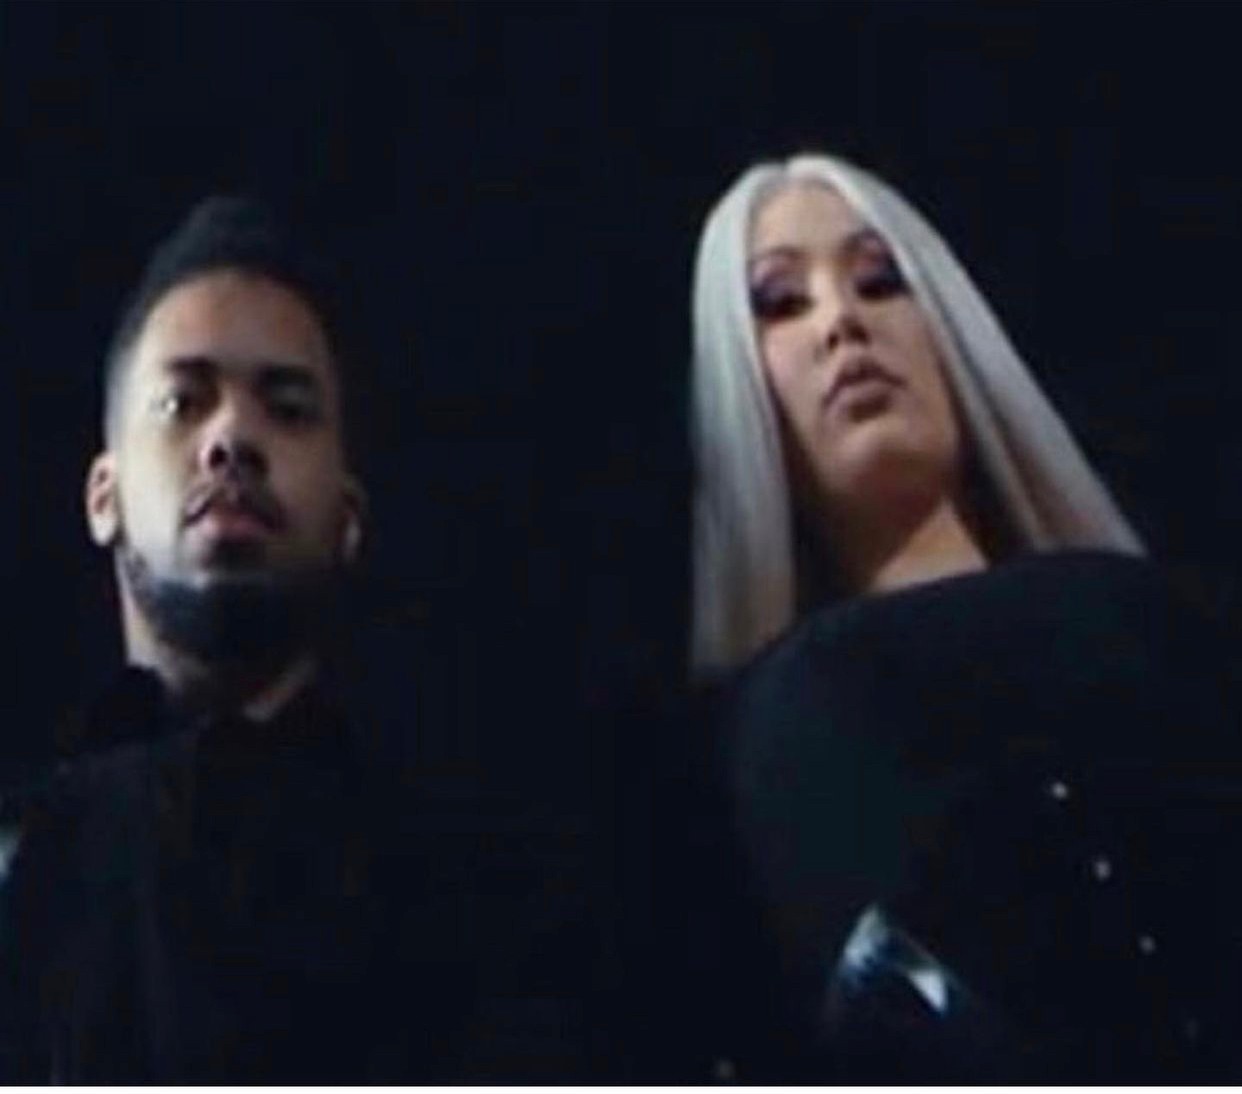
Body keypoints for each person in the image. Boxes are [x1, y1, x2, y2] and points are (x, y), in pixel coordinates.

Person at [675, 153, 1242, 1081]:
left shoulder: (1143, 618)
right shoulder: (750, 752)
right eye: (780, 303)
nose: (842, 322)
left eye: (879, 281)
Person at [0, 197, 584, 1082]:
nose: (232, 436)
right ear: (102, 495)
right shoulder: (23, 864)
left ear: (350, 516)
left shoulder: (481, 886)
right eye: (182, 402)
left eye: (288, 408)